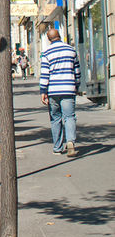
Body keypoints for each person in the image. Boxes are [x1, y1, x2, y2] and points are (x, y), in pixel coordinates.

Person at [39, 28, 80, 157]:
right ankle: (70, 142)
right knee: (69, 117)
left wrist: (43, 91)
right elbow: (77, 71)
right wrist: (76, 85)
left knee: (55, 118)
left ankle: (57, 147)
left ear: (48, 39)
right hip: (68, 88)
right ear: (60, 36)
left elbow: (45, 73)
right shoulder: (71, 50)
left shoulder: (46, 52)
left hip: (53, 90)